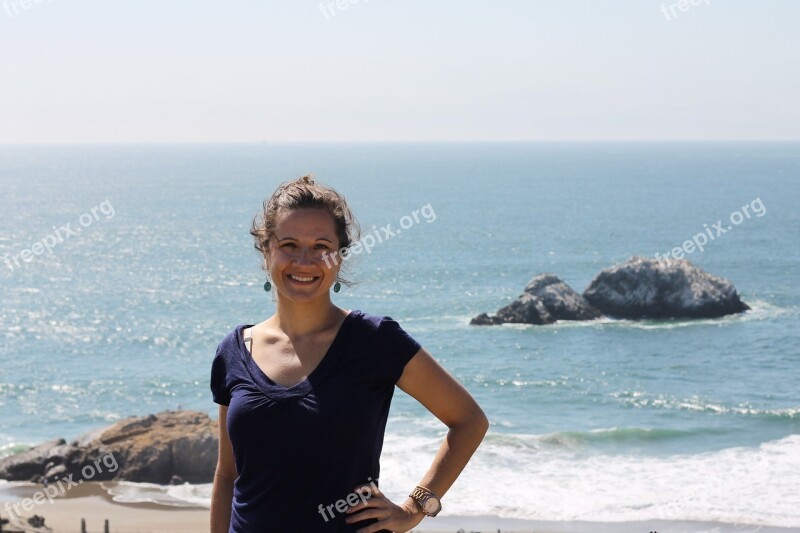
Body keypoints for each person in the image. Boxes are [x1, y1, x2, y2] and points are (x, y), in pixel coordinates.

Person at [210, 175, 488, 532]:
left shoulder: (375, 340)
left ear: (339, 257)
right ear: (267, 252)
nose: (305, 261)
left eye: (321, 246)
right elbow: (228, 474)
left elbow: (468, 421)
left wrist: (415, 508)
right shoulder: (233, 351)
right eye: (289, 244)